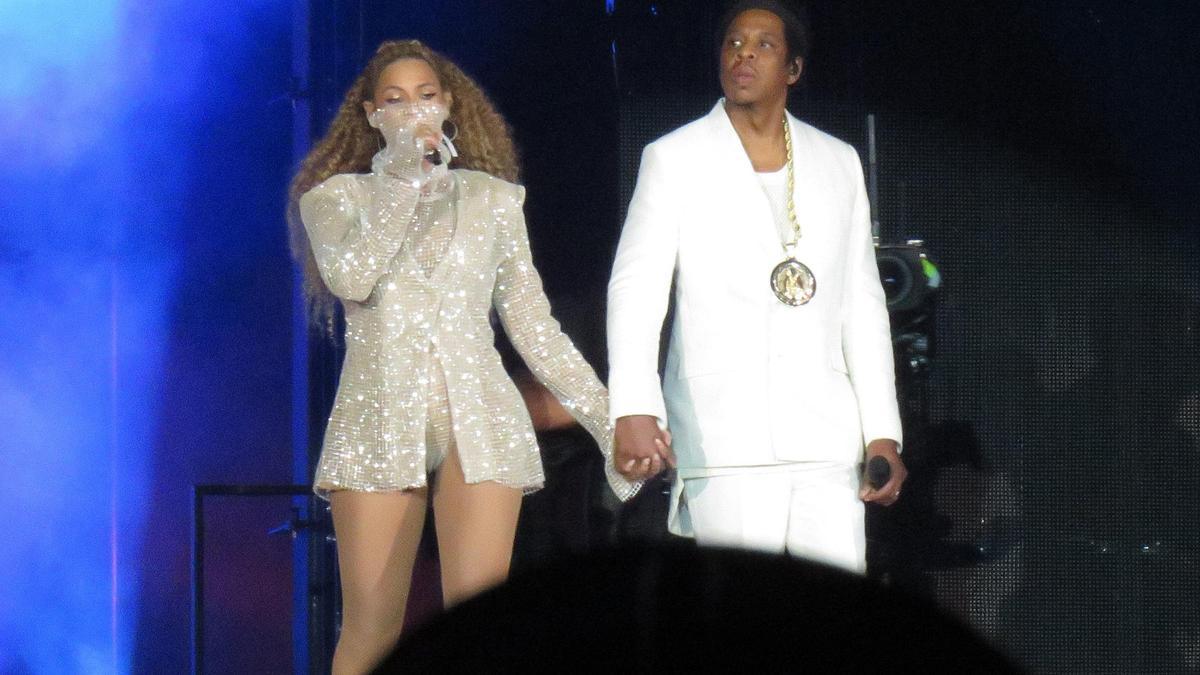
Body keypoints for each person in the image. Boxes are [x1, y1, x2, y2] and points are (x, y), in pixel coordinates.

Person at [287, 40, 639, 674]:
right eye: (394, 101)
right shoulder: (335, 199)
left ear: (447, 107)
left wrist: (608, 418)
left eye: (425, 96)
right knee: (371, 626)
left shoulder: (493, 201)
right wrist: (399, 180)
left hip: (481, 419)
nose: (412, 111)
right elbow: (352, 280)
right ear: (371, 115)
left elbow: (534, 327)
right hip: (376, 420)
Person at [606, 0, 907, 574]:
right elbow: (636, 291)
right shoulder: (674, 158)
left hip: (826, 436)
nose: (743, 53)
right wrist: (634, 408)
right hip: (724, 434)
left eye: (764, 44)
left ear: (793, 69)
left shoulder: (837, 161)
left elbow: (862, 307)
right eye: (733, 43)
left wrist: (882, 433)